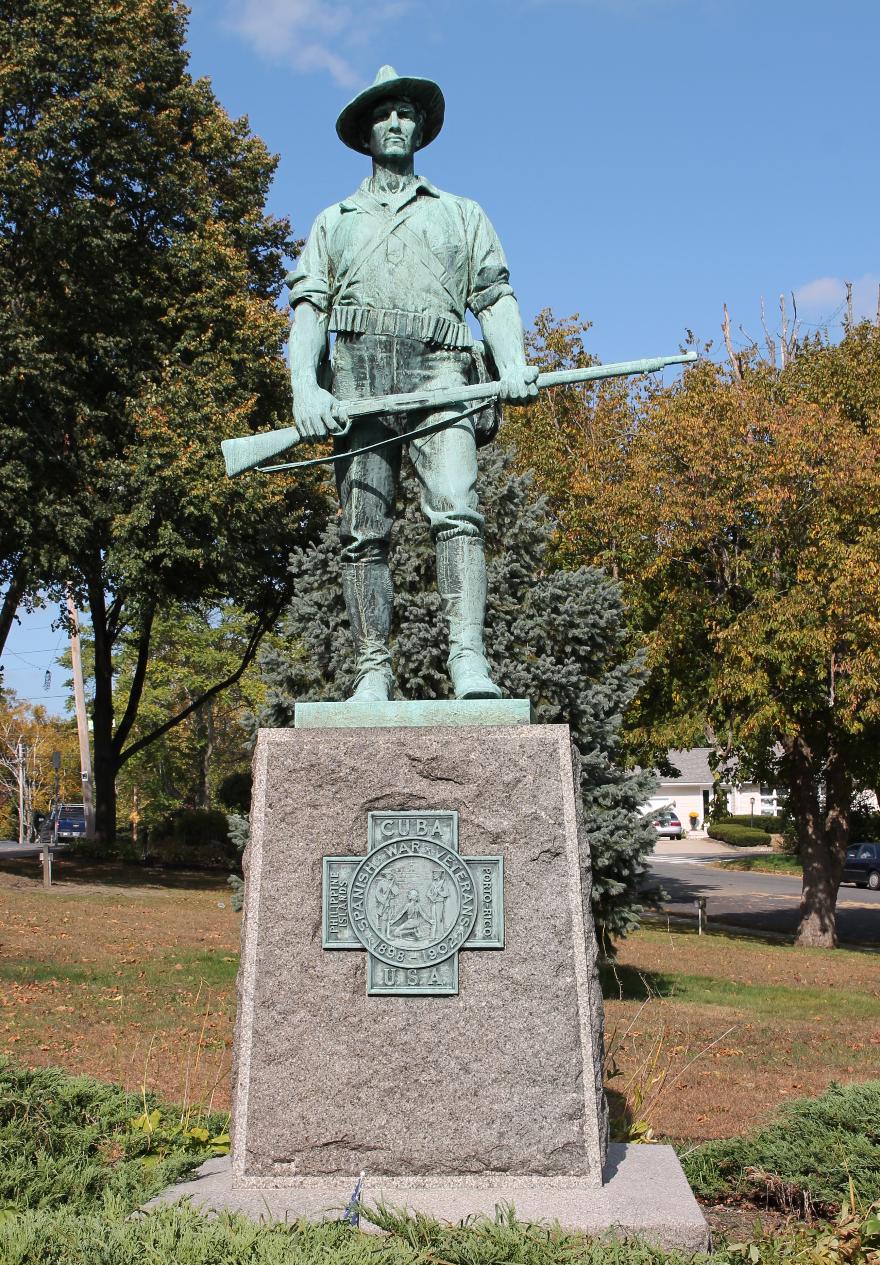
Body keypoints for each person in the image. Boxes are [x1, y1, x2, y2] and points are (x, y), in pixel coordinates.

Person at [287, 66, 538, 702]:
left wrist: (512, 364)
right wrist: (305, 392)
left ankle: (468, 663)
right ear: (365, 132)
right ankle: (372, 669)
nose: (395, 122)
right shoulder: (333, 221)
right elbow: (308, 311)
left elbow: (496, 296)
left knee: (458, 511)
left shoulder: (461, 214)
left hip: (442, 373)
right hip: (357, 380)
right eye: (382, 113)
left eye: (405, 112)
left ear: (421, 127)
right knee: (362, 532)